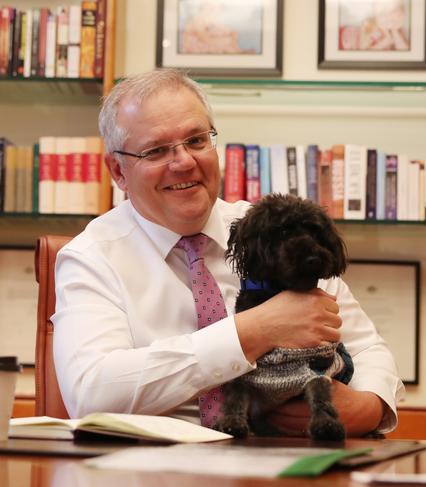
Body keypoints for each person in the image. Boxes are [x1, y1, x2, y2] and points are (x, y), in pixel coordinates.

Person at [52, 68, 404, 436]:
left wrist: (368, 407)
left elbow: (367, 349)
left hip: (285, 465)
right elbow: (91, 392)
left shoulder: (274, 231)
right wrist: (253, 331)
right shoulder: (91, 257)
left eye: (197, 140)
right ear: (118, 170)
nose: (184, 161)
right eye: (157, 150)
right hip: (153, 466)